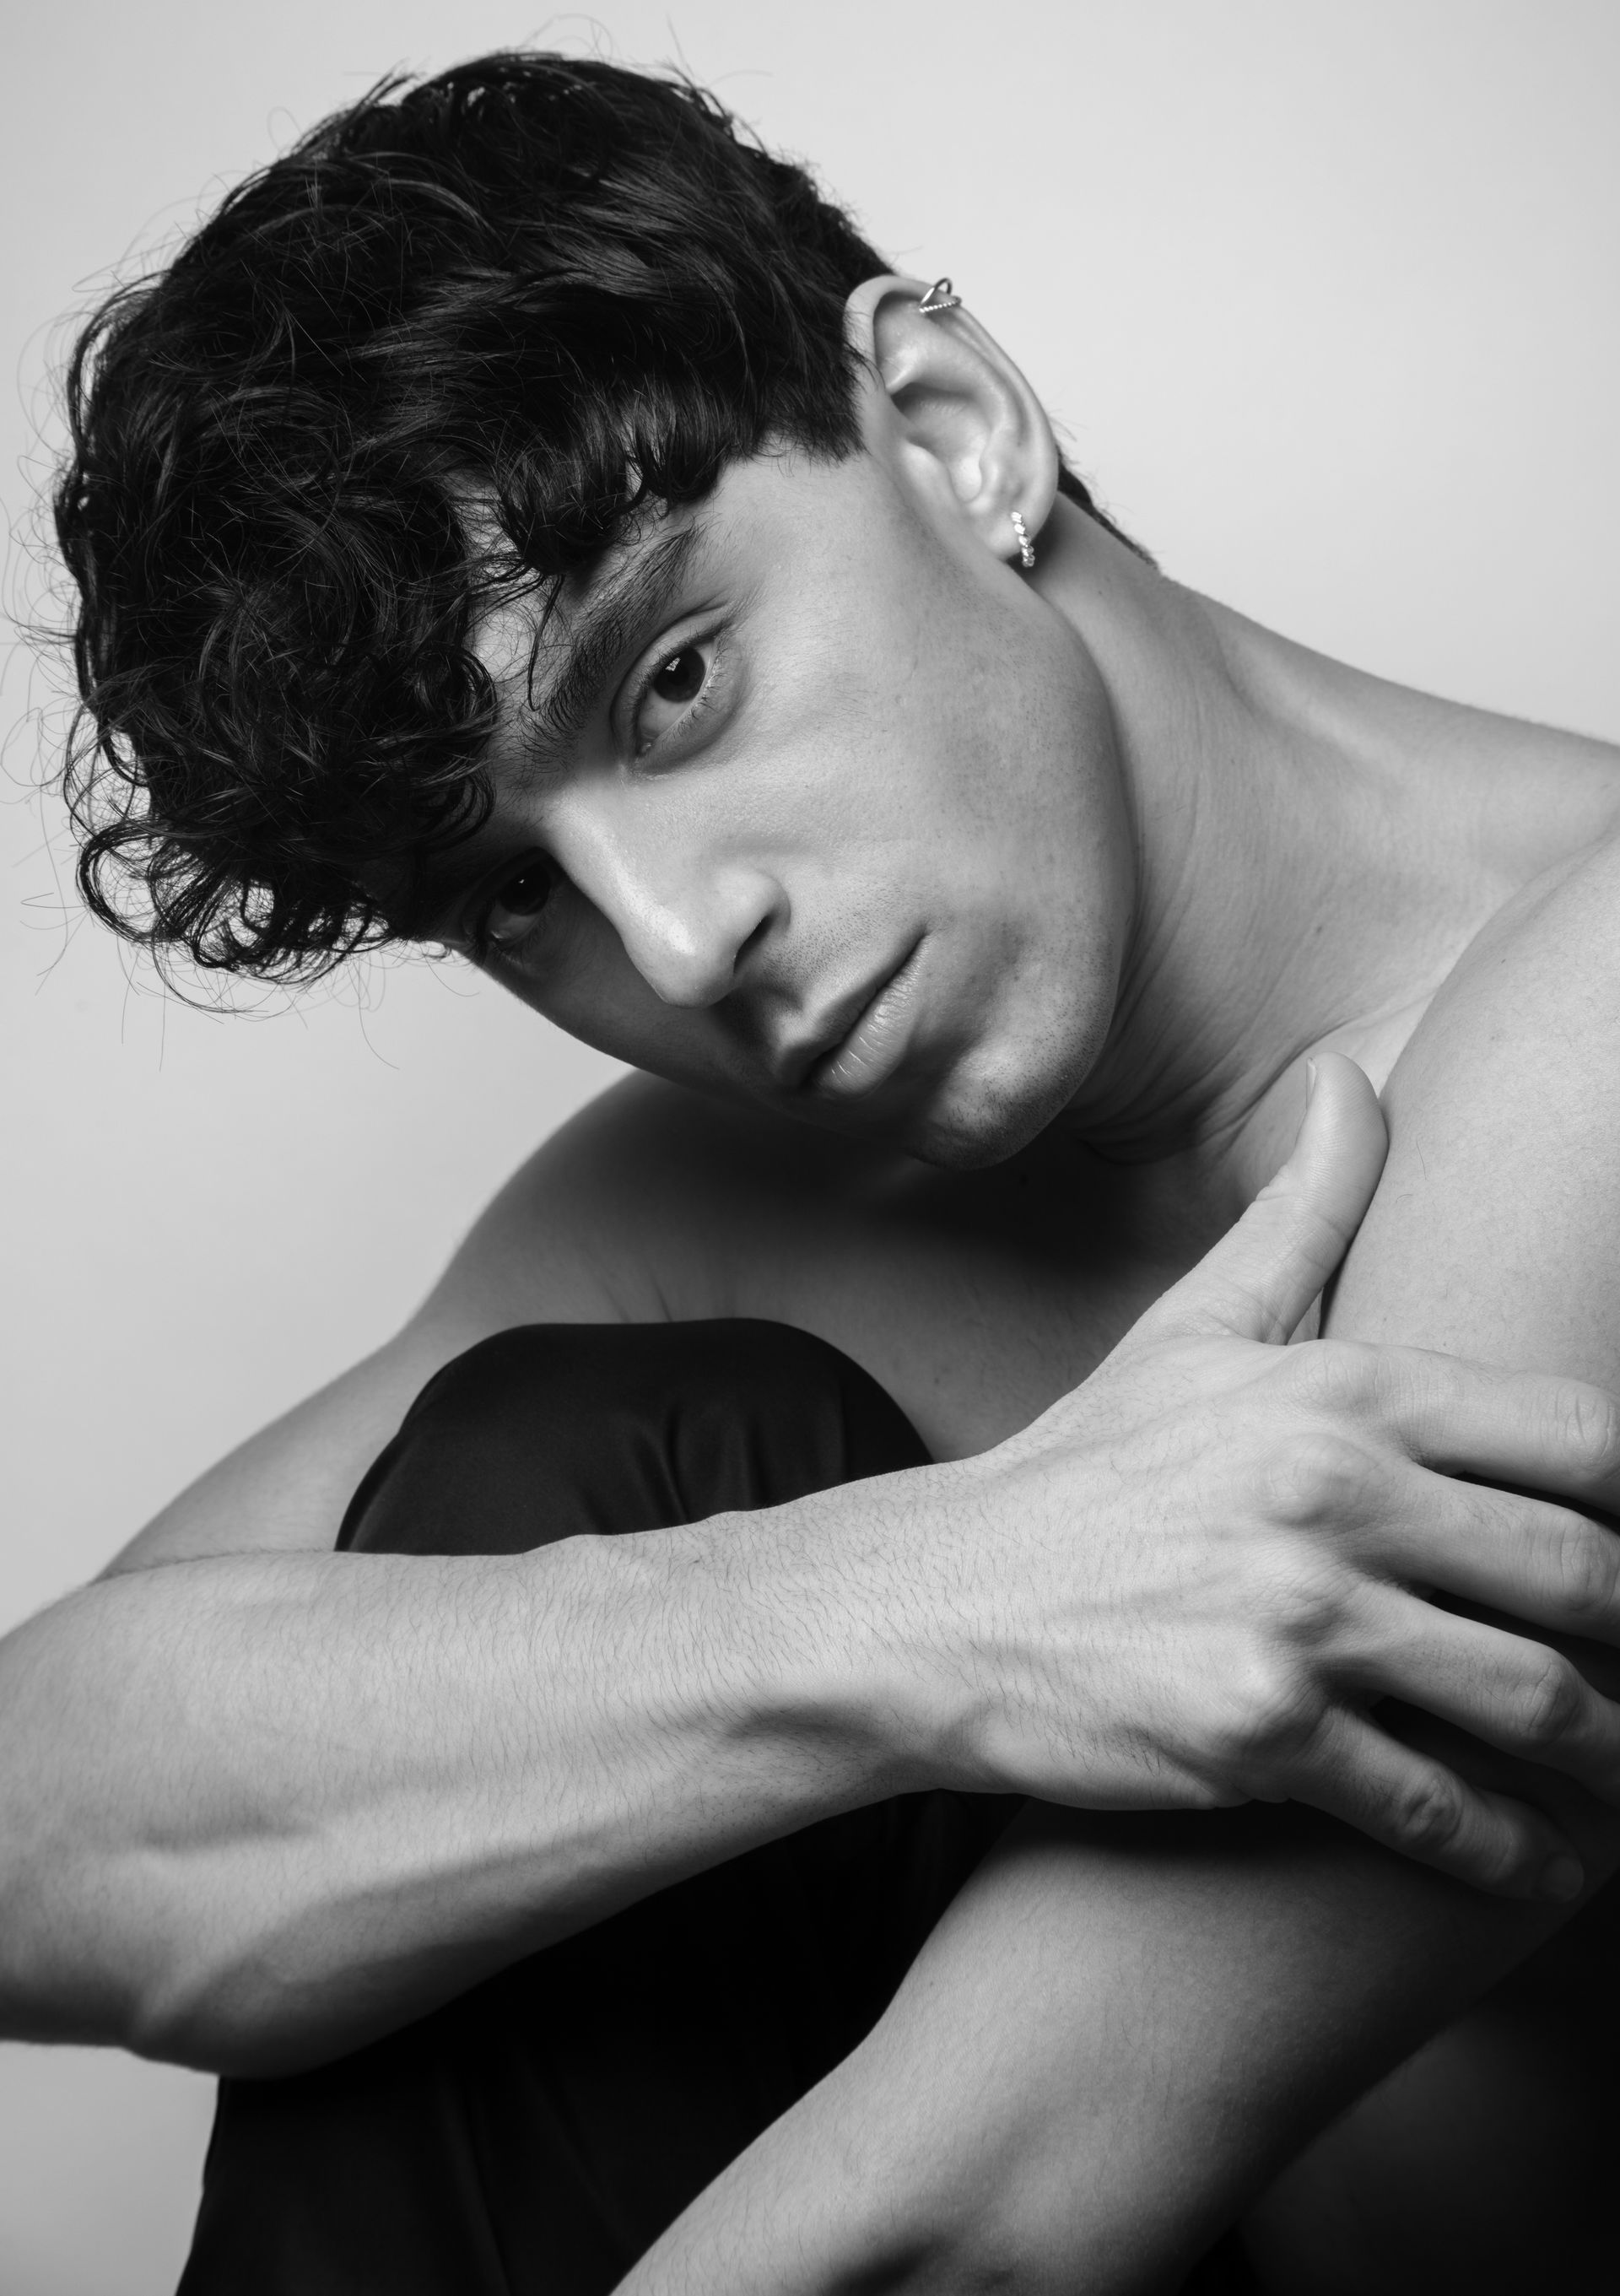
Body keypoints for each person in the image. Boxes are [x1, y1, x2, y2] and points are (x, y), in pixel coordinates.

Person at [12, 46, 1620, 2293]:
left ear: (955, 428)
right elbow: (40, 1818)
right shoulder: (711, 1217)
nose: (679, 942)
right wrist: (931, 1599)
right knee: (576, 1459)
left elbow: (984, 2205)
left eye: (673, 684)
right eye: (515, 901)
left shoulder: (1592, 1030)